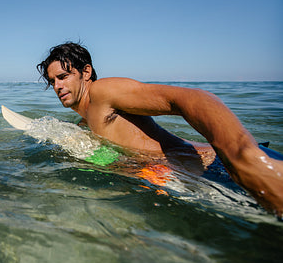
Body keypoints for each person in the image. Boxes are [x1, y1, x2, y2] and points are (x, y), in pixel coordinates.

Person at [37, 42, 283, 218]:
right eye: (52, 82)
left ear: (86, 72)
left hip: (222, 167)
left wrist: (244, 155)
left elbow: (191, 99)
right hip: (193, 178)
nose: (57, 86)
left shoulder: (103, 92)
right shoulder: (85, 123)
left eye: (63, 76)